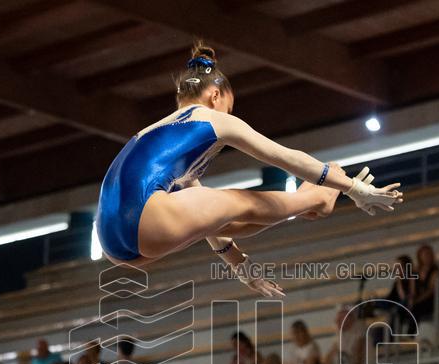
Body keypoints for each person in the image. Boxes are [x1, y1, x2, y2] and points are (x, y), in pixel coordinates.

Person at [95, 42, 403, 297]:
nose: (230, 114)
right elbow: (285, 157)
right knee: (242, 202)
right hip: (147, 223)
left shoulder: (152, 134)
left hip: (116, 245)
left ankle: (308, 202)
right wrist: (354, 188)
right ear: (215, 96)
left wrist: (244, 270)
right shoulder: (211, 118)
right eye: (230, 106)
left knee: (226, 218)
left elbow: (207, 221)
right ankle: (315, 199)